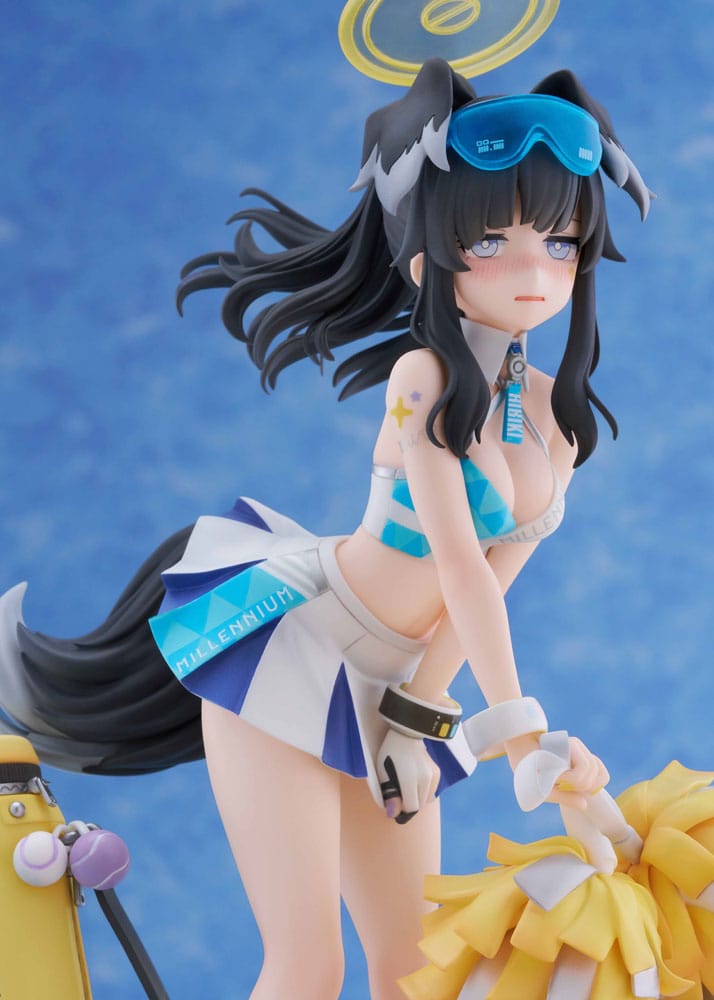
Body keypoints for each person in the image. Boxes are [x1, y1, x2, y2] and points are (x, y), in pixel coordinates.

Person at [0, 58, 650, 999]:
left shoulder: (558, 420)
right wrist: (521, 737)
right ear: (427, 257)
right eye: (490, 241)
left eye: (558, 241)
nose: (532, 271)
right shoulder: (422, 383)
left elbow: (490, 587)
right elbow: (459, 569)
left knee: (412, 968)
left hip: (396, 681)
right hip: (296, 648)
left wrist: (418, 719)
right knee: (308, 967)